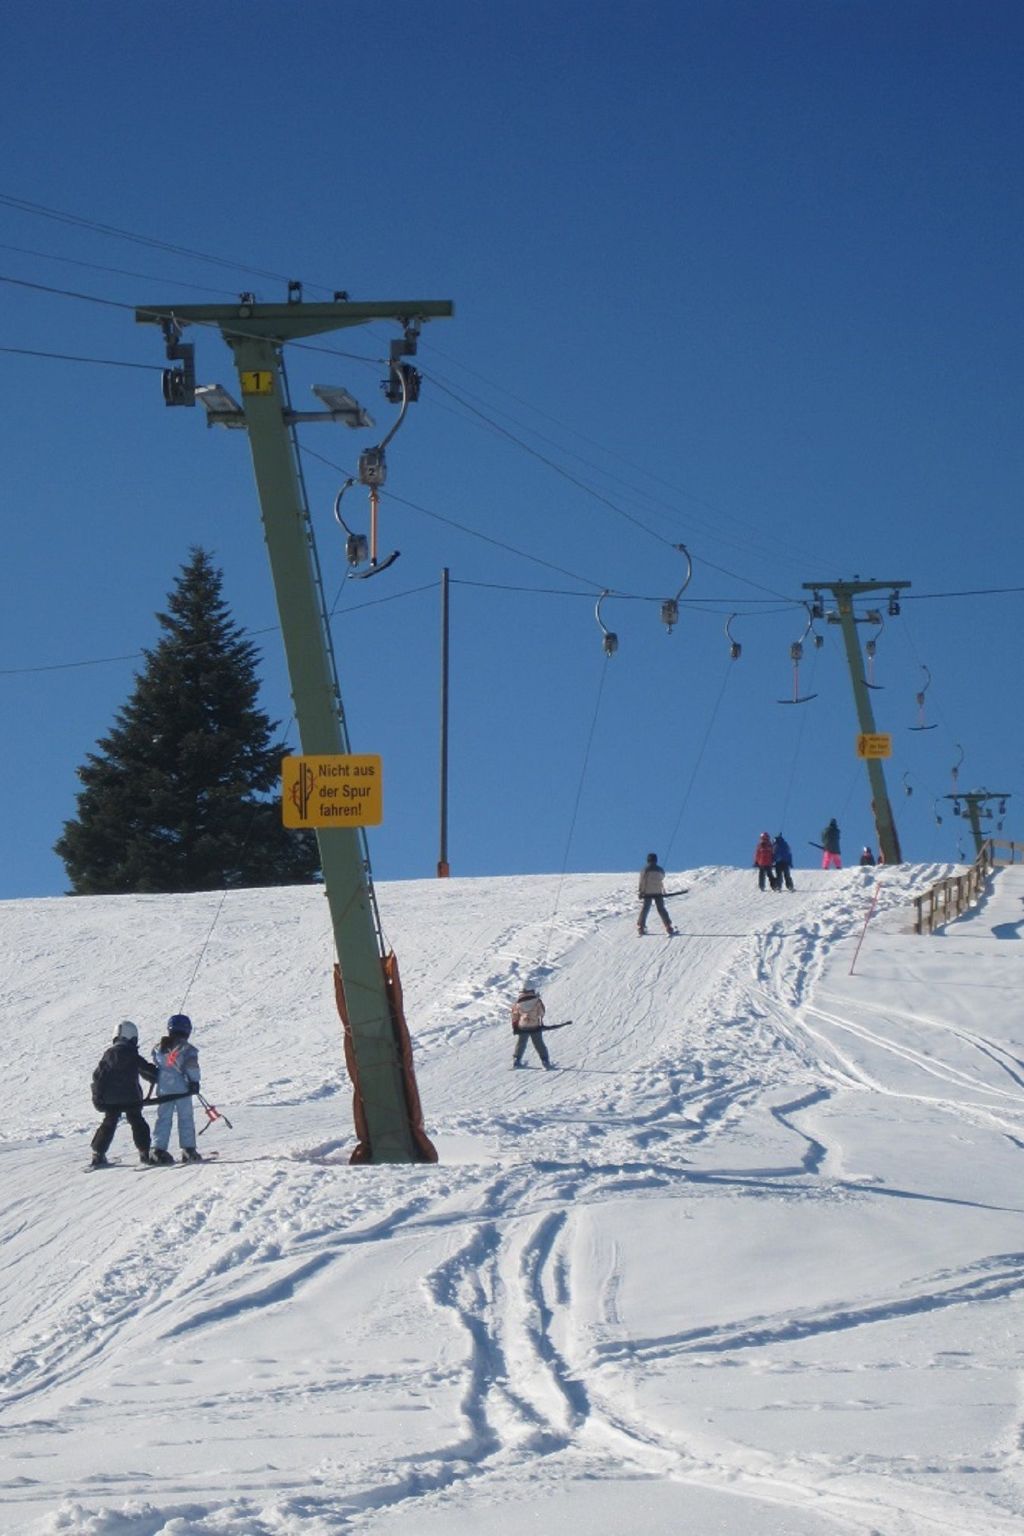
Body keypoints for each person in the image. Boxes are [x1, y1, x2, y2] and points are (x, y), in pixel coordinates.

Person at [90, 1020, 158, 1168]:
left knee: (109, 1123)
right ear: (133, 1038)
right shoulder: (132, 1054)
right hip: (131, 1097)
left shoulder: (108, 1055)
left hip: (110, 1099)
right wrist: (157, 1074)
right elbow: (147, 1070)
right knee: (137, 1121)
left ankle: (98, 1154)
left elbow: (98, 1077)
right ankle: (144, 1152)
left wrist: (97, 1097)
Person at [149, 1014, 203, 1163]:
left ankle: (157, 1149)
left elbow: (156, 1061)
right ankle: (188, 1149)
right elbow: (192, 1067)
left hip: (164, 1090)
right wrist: (195, 1081)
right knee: (185, 1118)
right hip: (183, 1090)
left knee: (163, 1118)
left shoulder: (159, 1048)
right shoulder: (188, 1049)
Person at [511, 984, 552, 1069]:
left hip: (522, 1026)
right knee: (539, 1043)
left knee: (521, 1043)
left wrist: (515, 1026)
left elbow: (514, 1015)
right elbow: (541, 1013)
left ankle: (516, 1060)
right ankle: (545, 1061)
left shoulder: (517, 1003)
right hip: (535, 1026)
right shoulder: (537, 1001)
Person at [637, 853, 676, 935]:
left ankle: (641, 926)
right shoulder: (660, 869)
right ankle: (668, 926)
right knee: (661, 908)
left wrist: (641, 892)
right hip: (658, 892)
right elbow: (662, 877)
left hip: (647, 892)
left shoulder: (645, 869)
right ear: (656, 860)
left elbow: (642, 881)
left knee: (645, 908)